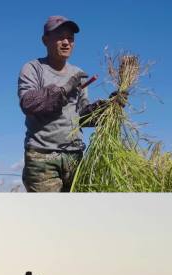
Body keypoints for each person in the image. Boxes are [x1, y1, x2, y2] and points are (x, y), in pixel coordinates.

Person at [17, 16, 125, 192]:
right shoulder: (33, 68)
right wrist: (65, 89)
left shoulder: (78, 73)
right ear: (45, 40)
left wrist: (108, 107)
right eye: (60, 37)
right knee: (48, 215)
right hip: (43, 158)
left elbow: (82, 117)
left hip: (75, 157)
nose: (66, 42)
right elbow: (28, 103)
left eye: (71, 38)